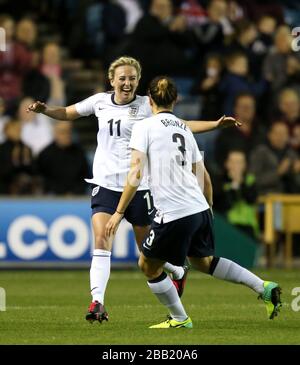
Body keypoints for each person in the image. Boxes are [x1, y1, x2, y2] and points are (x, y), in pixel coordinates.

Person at [27, 56, 240, 324]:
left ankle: (177, 269)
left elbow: (180, 124)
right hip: (105, 184)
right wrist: (45, 110)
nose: (126, 83)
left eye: (132, 78)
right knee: (102, 240)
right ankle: (97, 302)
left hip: (139, 187)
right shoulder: (99, 102)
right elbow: (69, 113)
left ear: (138, 81)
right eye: (122, 78)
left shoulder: (146, 106)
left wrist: (214, 124)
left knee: (147, 254)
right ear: (111, 79)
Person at [106, 76, 282, 328]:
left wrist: (119, 211)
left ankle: (179, 318)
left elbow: (135, 173)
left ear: (149, 99)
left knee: (147, 264)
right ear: (176, 100)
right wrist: (208, 209)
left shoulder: (144, 127)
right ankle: (263, 287)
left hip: (174, 211)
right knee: (204, 262)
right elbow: (204, 176)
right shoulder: (182, 128)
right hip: (198, 207)